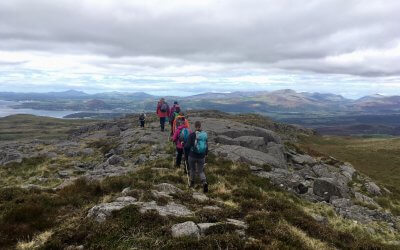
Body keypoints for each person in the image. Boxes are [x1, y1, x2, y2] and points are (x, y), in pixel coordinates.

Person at [185, 121, 209, 193]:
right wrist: (205, 153)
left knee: (192, 169)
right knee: (201, 171)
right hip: (201, 156)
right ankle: (204, 182)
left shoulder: (192, 135)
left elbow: (187, 146)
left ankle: (192, 184)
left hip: (192, 155)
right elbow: (206, 145)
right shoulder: (204, 135)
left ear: (195, 127)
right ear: (200, 126)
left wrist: (184, 145)